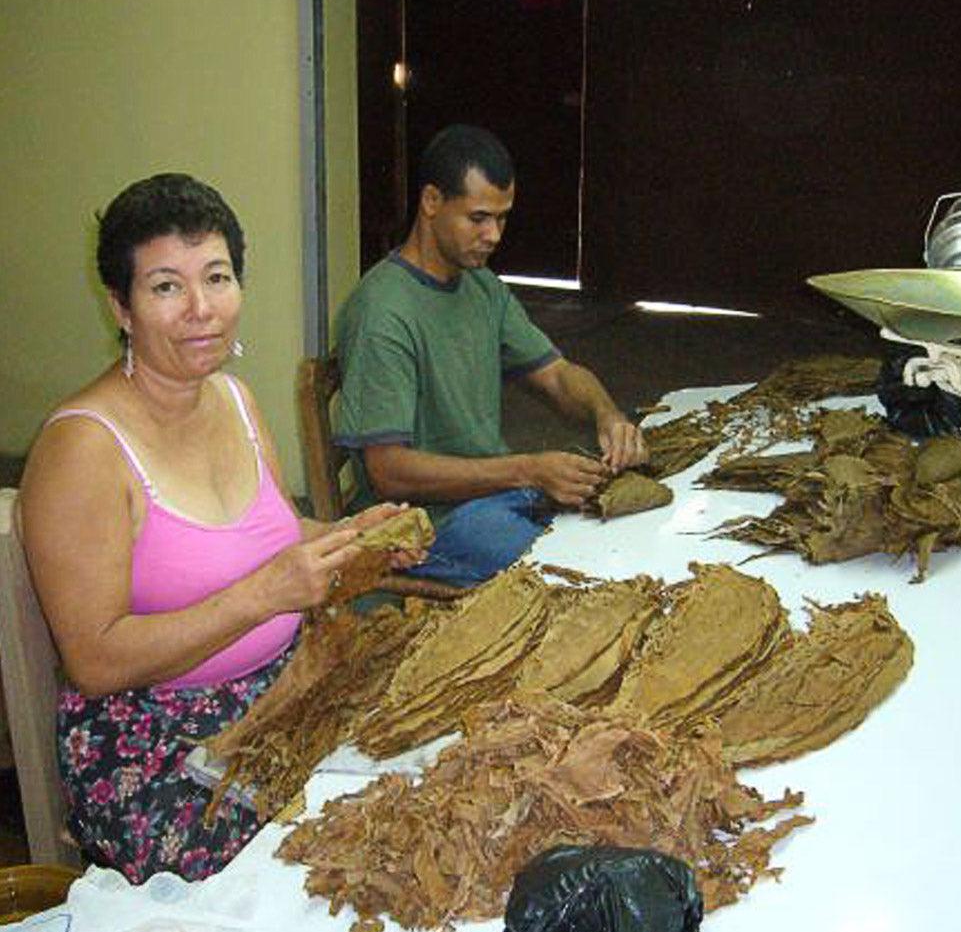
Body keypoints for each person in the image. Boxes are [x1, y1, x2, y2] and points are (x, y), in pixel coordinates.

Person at [18, 173, 414, 884]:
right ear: (121, 307)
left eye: (218, 277)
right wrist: (265, 596)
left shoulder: (232, 397)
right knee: (346, 864)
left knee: (427, 770)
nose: (202, 309)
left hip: (284, 686)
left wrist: (361, 540)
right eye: (166, 286)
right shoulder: (84, 448)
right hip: (158, 744)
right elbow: (96, 661)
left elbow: (276, 533)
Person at [335, 124, 648, 586]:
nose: (493, 235)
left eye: (502, 218)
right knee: (577, 575)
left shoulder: (480, 286)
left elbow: (558, 375)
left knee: (620, 528)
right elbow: (388, 472)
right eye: (478, 217)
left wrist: (607, 414)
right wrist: (528, 469)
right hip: (426, 526)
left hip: (494, 497)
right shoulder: (383, 312)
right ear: (431, 202)